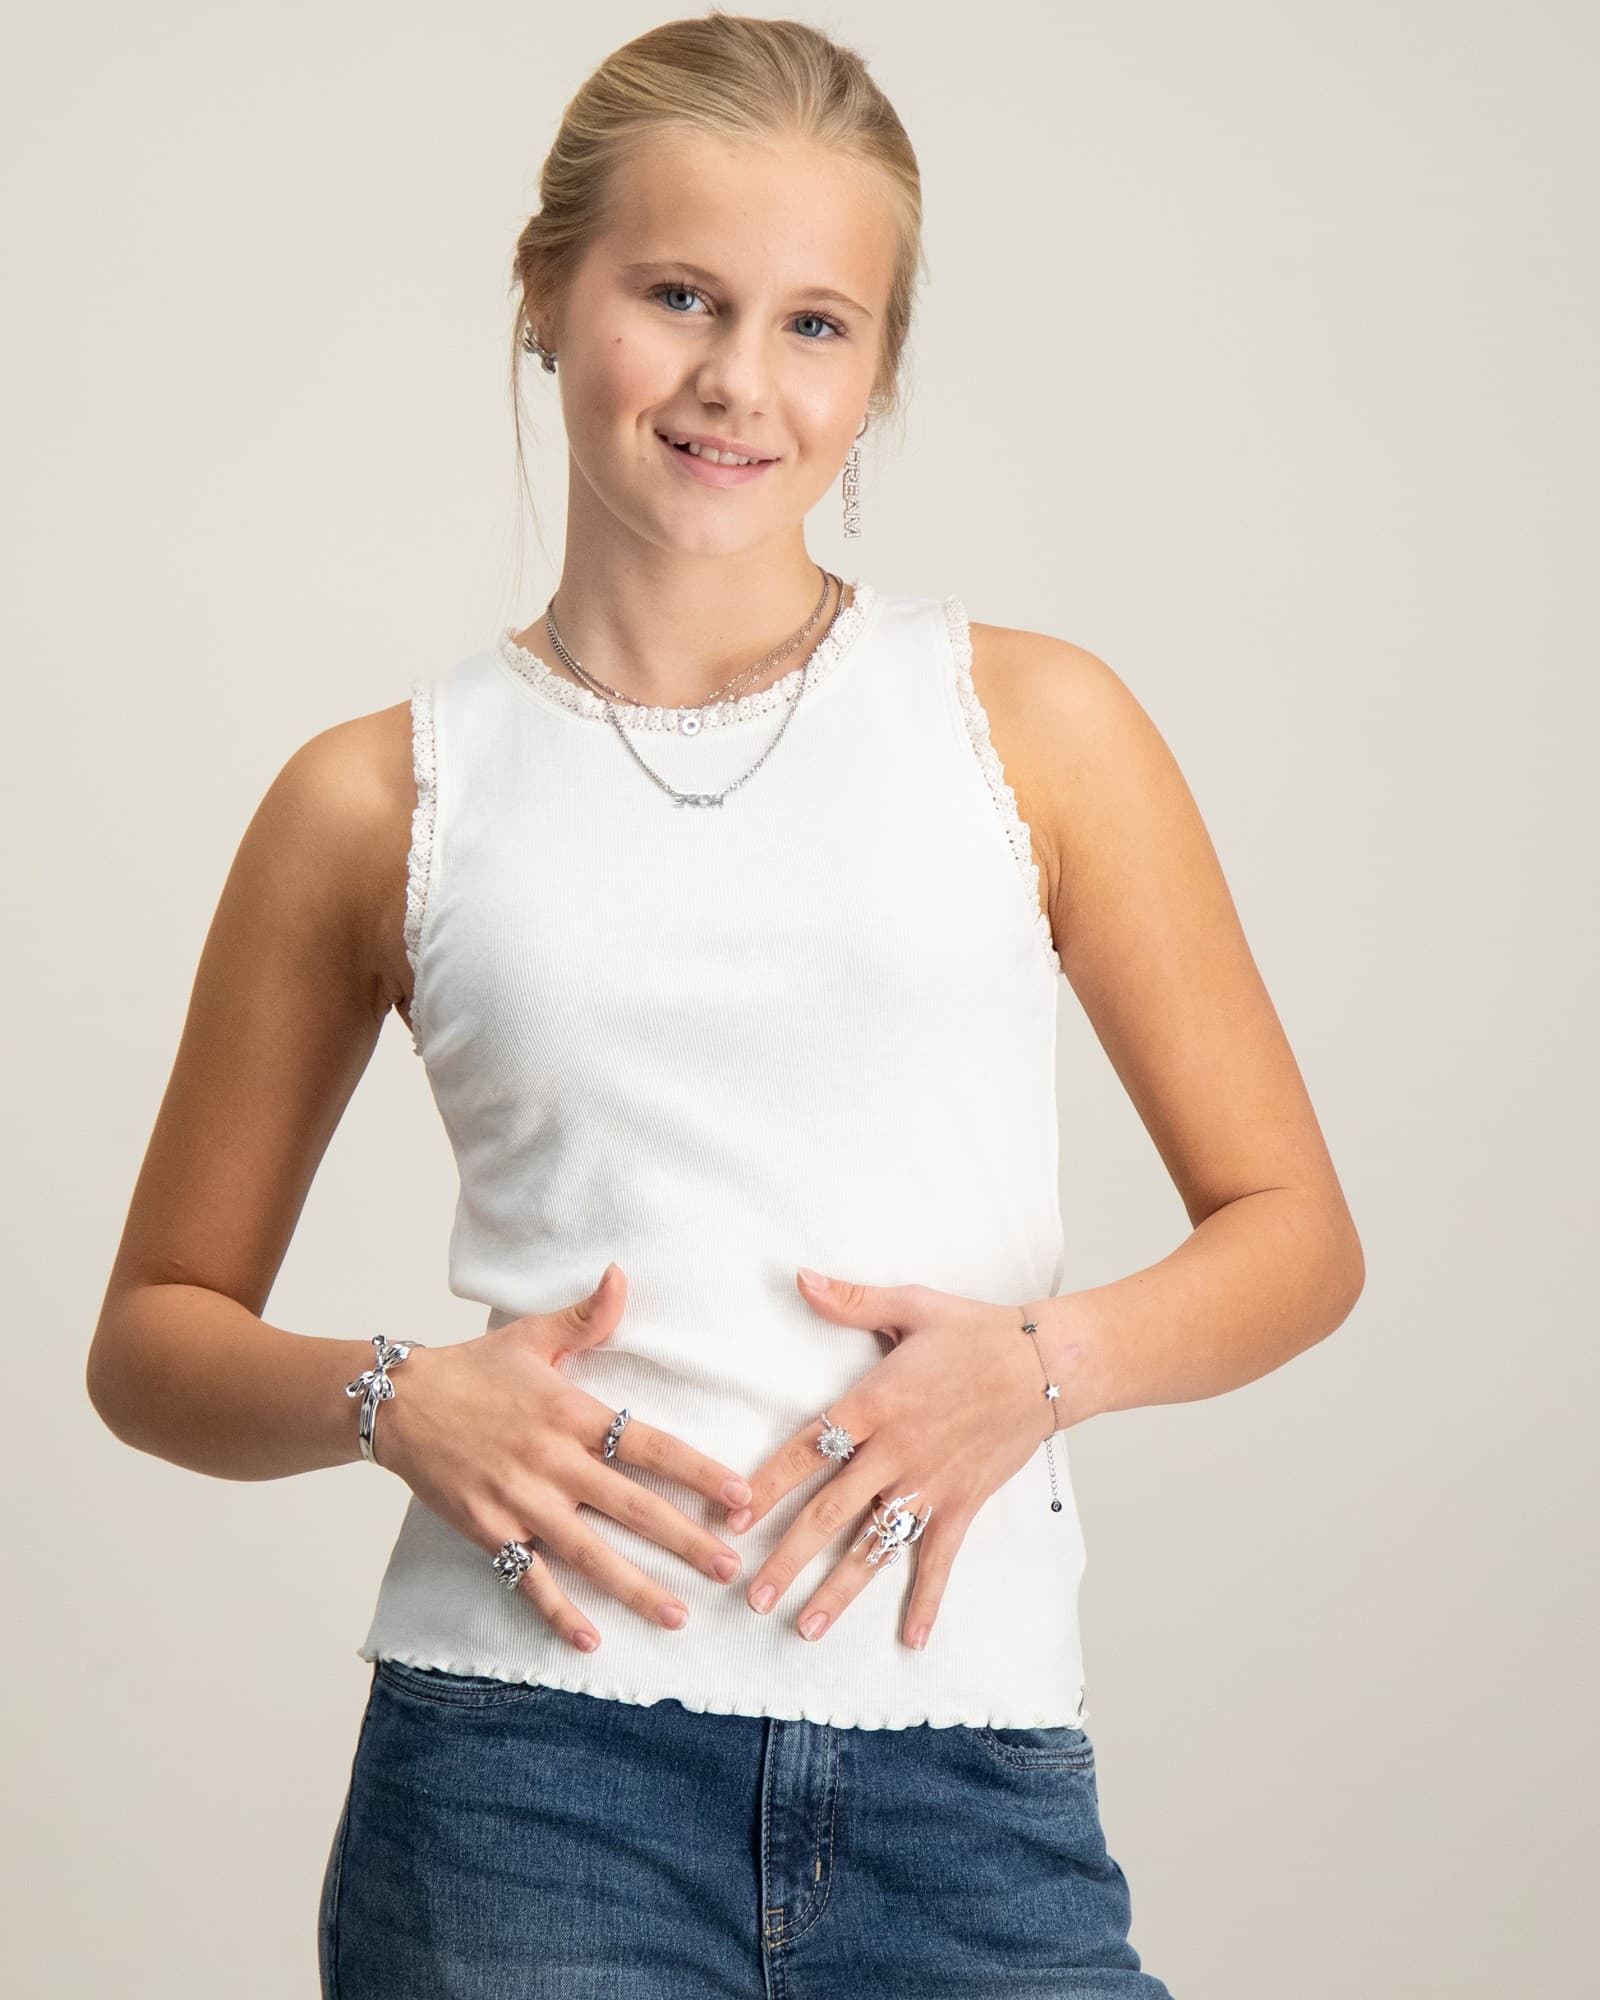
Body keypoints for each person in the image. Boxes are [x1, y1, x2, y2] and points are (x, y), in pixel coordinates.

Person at [86, 13, 1364, 1997]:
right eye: (675, 294)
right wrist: (394, 1394)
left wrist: (1035, 1364)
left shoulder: (1031, 728)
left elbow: (1296, 1238)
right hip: (524, 1773)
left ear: (873, 372)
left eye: (812, 324)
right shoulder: (377, 796)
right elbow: (150, 1342)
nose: (732, 382)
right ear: (544, 292)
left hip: (971, 1777)